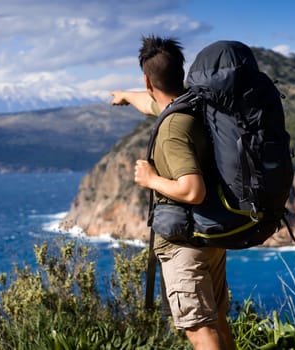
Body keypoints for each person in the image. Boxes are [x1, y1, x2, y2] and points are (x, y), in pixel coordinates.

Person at [110, 35, 236, 350]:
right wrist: (126, 95)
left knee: (200, 330)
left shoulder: (171, 130)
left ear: (147, 78)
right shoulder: (194, 106)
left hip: (184, 245)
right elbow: (152, 103)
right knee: (218, 320)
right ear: (181, 71)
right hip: (211, 235)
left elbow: (191, 190)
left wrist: (150, 179)